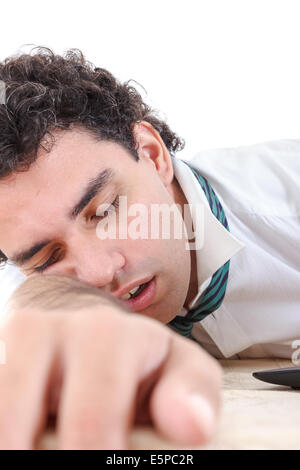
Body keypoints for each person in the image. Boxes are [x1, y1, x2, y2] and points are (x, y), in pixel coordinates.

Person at [0, 46, 299, 449]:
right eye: (46, 258)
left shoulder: (288, 197)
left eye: (105, 211)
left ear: (153, 154)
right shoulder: (26, 295)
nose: (98, 272)